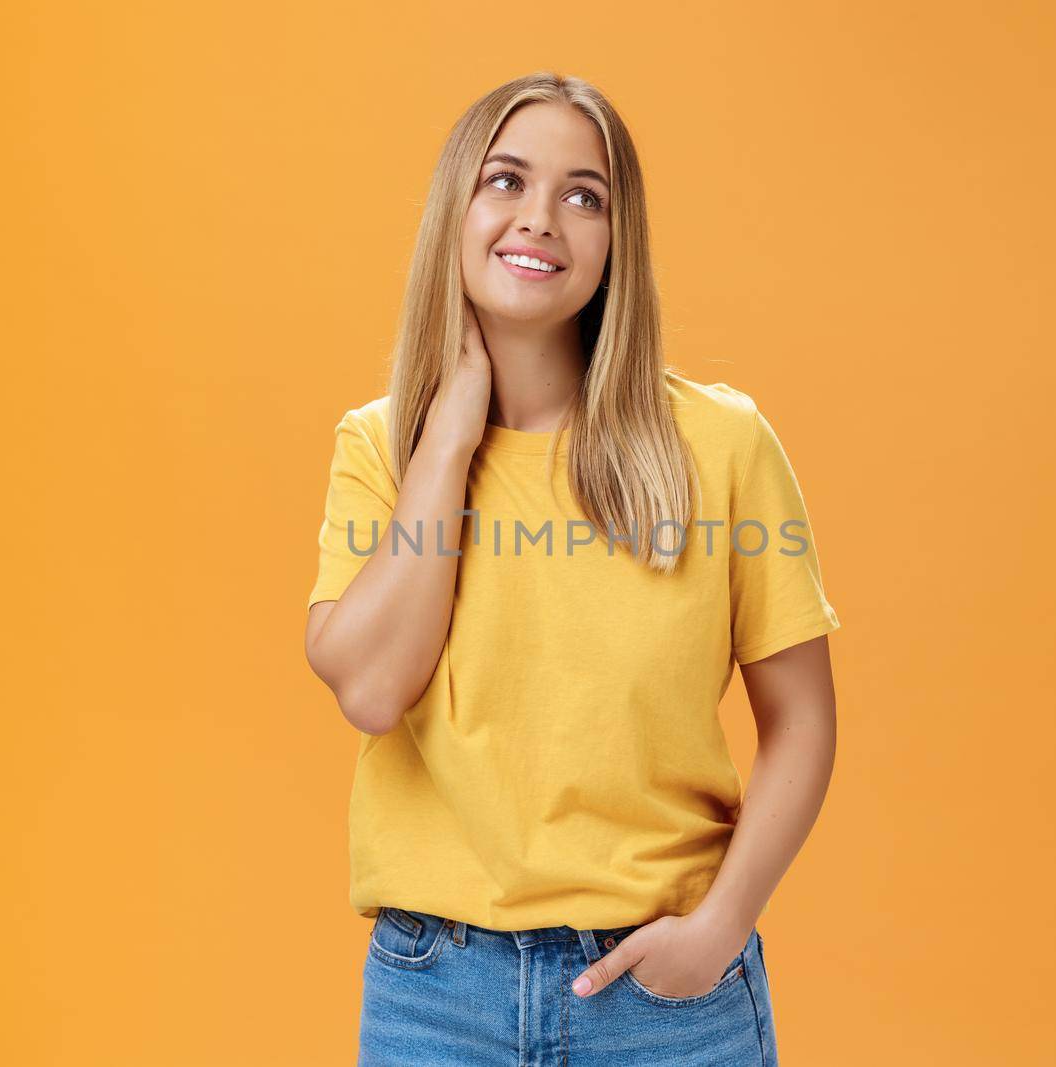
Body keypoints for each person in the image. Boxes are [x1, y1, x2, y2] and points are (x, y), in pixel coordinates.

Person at [304, 71, 840, 1067]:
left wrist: (721, 925)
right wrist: (452, 436)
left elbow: (803, 719)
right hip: (438, 996)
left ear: (615, 241)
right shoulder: (381, 448)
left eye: (582, 195)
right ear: (455, 209)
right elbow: (373, 687)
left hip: (665, 998)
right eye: (505, 180)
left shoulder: (720, 443)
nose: (540, 219)